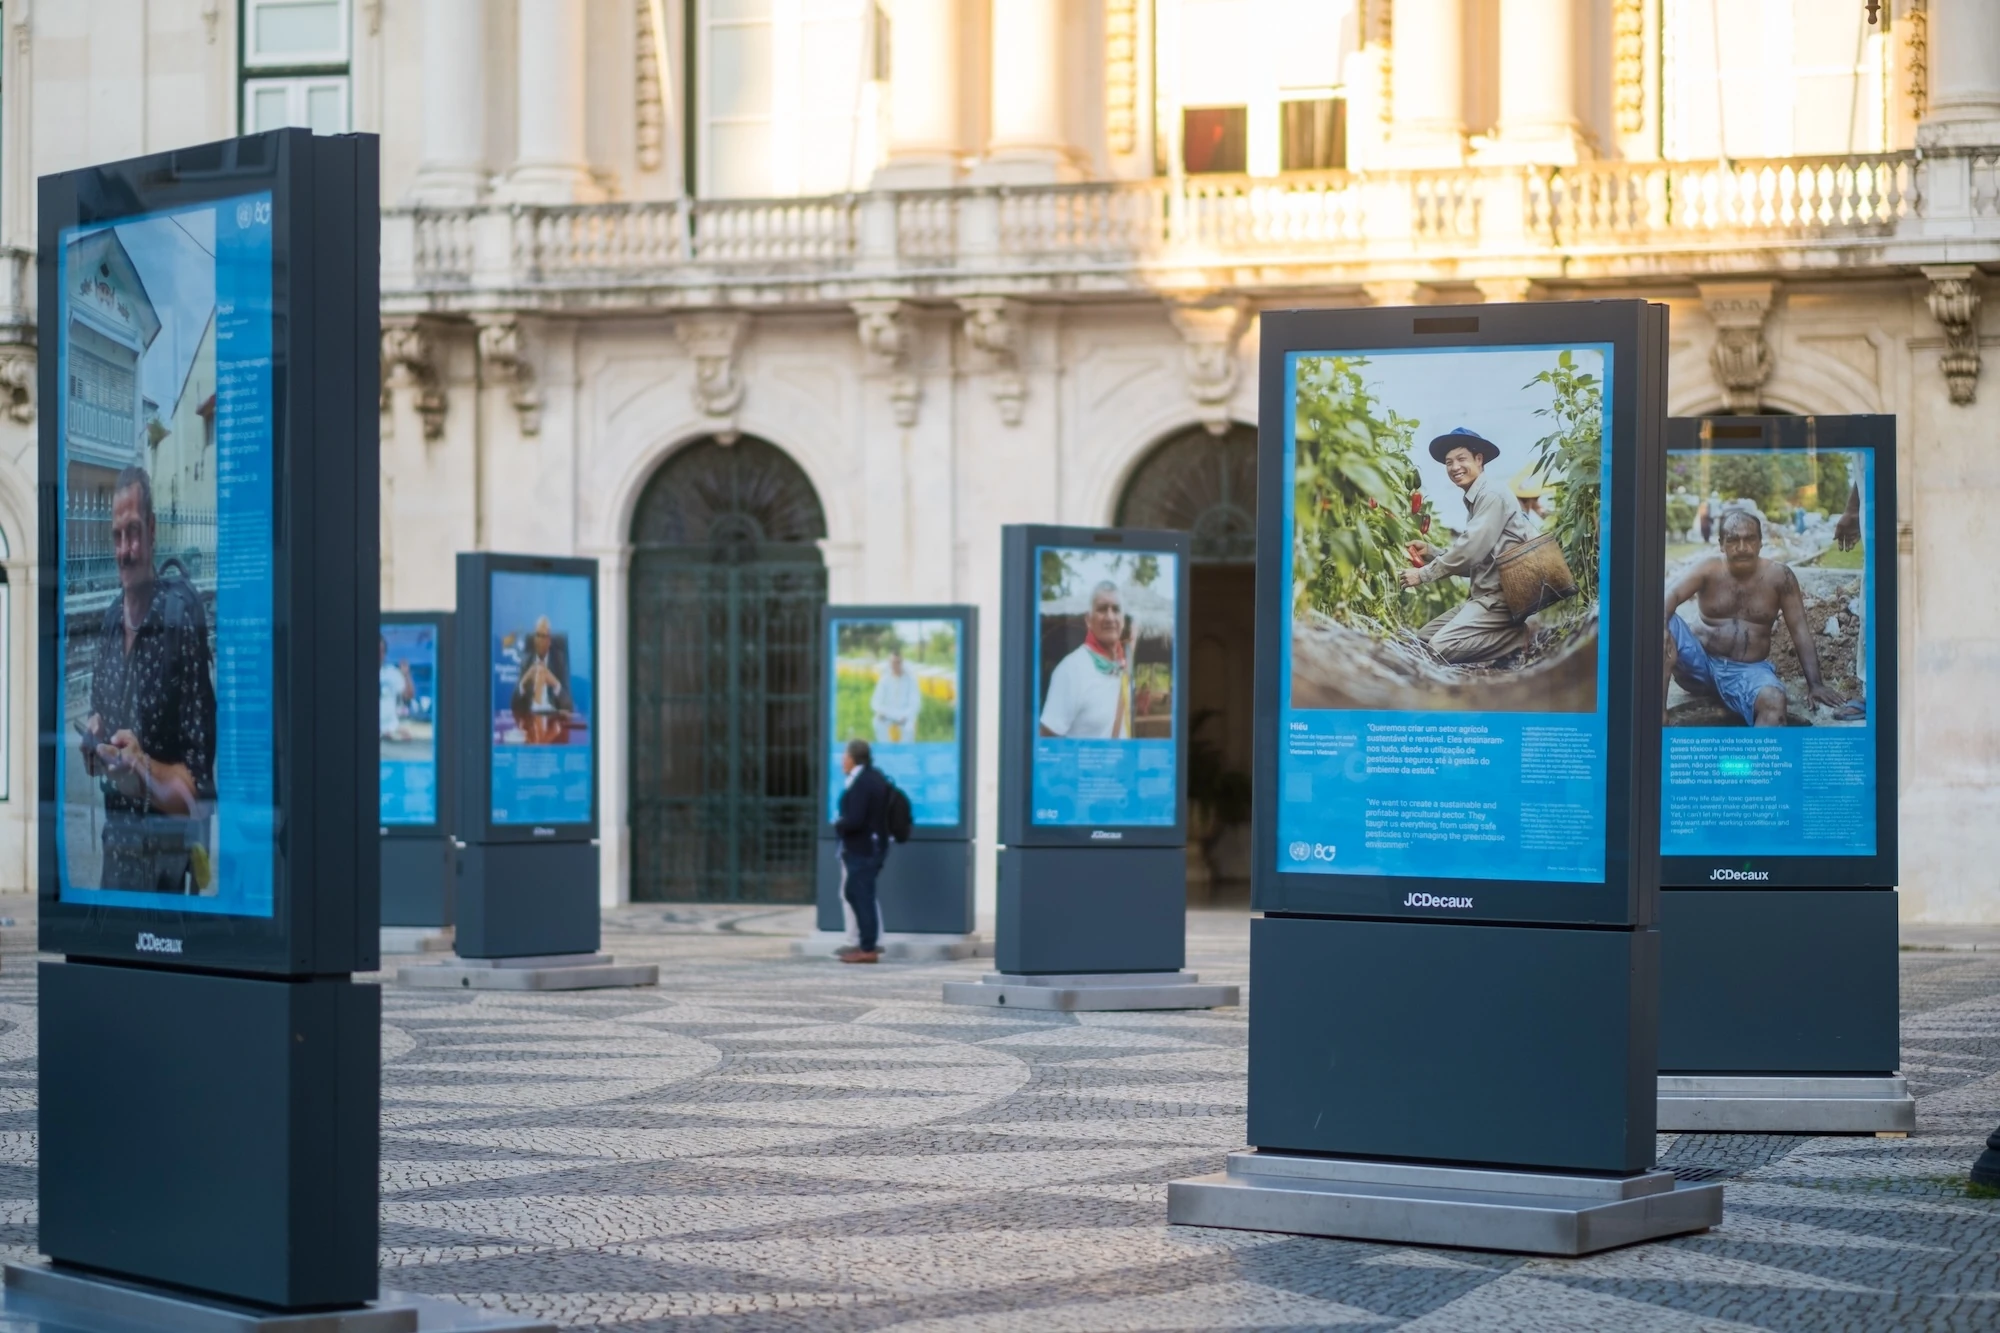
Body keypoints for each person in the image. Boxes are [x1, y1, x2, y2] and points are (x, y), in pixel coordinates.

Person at [75, 465, 217, 894]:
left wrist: (142, 765)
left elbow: (199, 794)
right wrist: (95, 746)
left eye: (134, 532)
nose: (126, 549)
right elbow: (103, 732)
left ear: (153, 531)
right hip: (115, 861)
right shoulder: (107, 625)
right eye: (117, 536)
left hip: (168, 872)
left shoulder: (179, 622)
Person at [1664, 507, 1848, 727]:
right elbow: (1670, 595)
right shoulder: (1708, 568)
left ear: (1761, 542)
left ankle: (1756, 759)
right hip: (1699, 666)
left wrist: (1815, 684)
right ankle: (1657, 715)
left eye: (1750, 539)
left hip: (1747, 672)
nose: (1743, 548)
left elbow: (1800, 630)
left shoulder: (1780, 577)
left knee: (1774, 701)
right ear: (1721, 544)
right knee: (1662, 621)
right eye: (1733, 540)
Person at [1398, 427, 1538, 665]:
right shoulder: (1477, 500)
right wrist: (1431, 552)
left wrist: (1423, 575)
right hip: (1486, 598)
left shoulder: (1491, 494)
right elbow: (1477, 562)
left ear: (1479, 459)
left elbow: (1470, 551)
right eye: (1448, 462)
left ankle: (1516, 639)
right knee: (1423, 639)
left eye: (1461, 459)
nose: (1454, 467)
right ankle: (1506, 641)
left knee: (1438, 649)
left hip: (1503, 598)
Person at [1039, 581, 1153, 738]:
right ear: (1088, 620)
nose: (1110, 617)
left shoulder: (1123, 668)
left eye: (1116, 609)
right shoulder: (1070, 670)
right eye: (1102, 609)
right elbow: (1047, 740)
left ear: (1123, 620)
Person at [833, 738, 890, 964]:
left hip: (864, 848)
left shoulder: (864, 782)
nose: (842, 761)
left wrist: (839, 823)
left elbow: (856, 819)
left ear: (853, 758)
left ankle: (868, 946)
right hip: (868, 846)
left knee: (861, 895)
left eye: (845, 756)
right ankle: (866, 942)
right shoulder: (871, 778)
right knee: (854, 893)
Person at [510, 616, 573, 744]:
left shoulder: (558, 661)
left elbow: (569, 705)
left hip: (552, 724)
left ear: (549, 640)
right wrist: (525, 680)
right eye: (537, 635)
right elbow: (514, 704)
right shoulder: (527, 660)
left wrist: (555, 683)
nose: (539, 640)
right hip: (530, 723)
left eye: (543, 636)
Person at [870, 649, 920, 743]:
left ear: (902, 663)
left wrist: (905, 715)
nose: (895, 665)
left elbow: (915, 702)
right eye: (893, 662)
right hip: (887, 714)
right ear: (889, 663)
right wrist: (881, 711)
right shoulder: (884, 679)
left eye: (897, 662)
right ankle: (886, 750)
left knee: (909, 727)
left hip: (905, 714)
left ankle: (905, 753)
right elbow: (875, 701)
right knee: (877, 722)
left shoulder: (910, 680)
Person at [380, 636, 415, 741]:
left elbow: (408, 695)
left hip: (390, 730)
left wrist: (406, 675)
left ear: (385, 654)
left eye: (381, 652)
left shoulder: (392, 673)